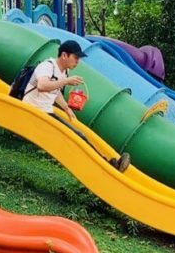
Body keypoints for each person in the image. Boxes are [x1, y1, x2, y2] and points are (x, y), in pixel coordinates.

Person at [23, 39, 131, 172]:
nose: (77, 62)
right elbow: (42, 86)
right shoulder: (47, 66)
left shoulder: (62, 72)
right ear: (64, 55)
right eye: (75, 57)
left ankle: (106, 164)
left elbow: (55, 92)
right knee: (77, 137)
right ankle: (106, 166)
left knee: (79, 136)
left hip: (45, 111)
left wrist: (66, 108)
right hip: (33, 111)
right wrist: (65, 81)